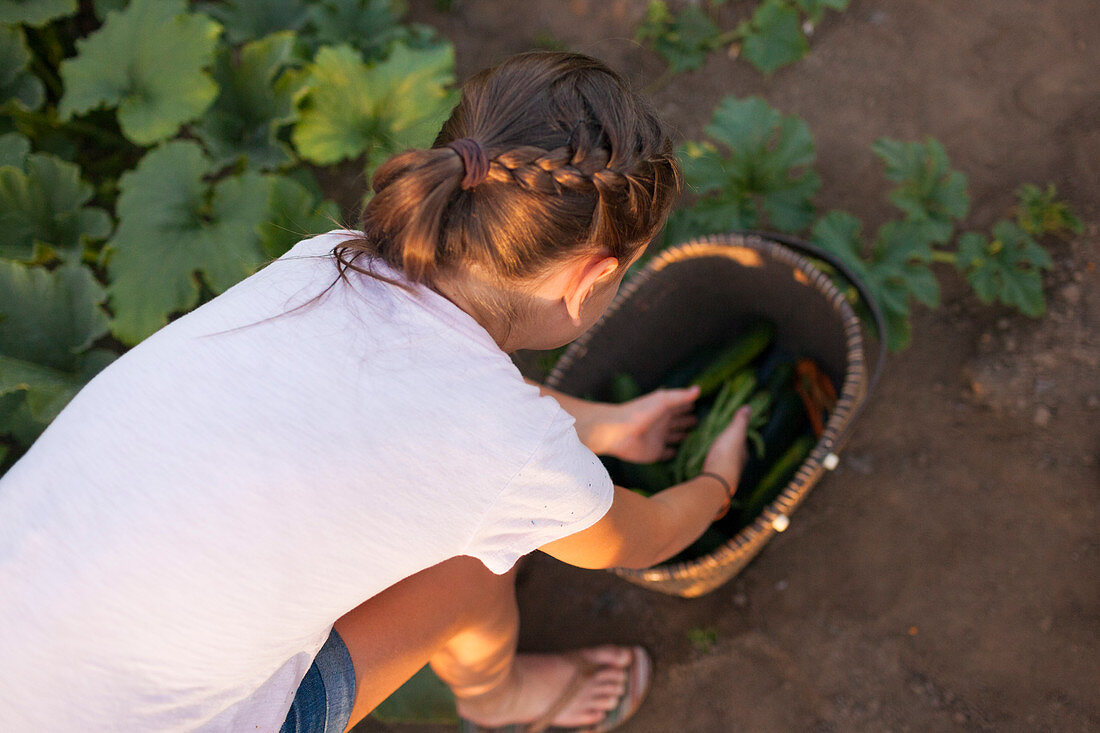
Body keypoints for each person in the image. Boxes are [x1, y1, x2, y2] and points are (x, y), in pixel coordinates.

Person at [0, 52, 751, 732]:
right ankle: (498, 698)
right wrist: (719, 483)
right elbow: (637, 537)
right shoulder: (499, 443)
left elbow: (440, 416)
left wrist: (608, 427)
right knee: (473, 568)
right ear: (591, 280)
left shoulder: (322, 262)